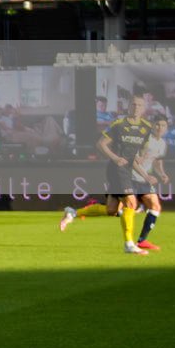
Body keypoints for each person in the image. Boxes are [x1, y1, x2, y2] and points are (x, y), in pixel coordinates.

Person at [61, 90, 159, 255]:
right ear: (128, 106)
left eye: (140, 105)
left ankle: (73, 212)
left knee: (111, 210)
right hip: (116, 169)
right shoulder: (119, 124)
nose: (136, 107)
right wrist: (115, 158)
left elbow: (133, 156)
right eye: (133, 104)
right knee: (131, 203)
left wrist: (145, 174)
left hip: (126, 169)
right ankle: (129, 244)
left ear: (144, 109)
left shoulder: (146, 128)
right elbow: (101, 144)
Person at [131, 115, 170, 252]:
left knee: (155, 206)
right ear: (152, 125)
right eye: (157, 124)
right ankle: (81, 211)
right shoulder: (145, 140)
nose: (160, 128)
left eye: (163, 125)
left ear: (167, 128)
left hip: (144, 180)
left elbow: (157, 161)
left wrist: (162, 174)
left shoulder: (162, 143)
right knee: (115, 210)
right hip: (131, 177)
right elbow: (133, 160)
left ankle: (142, 240)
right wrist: (147, 176)